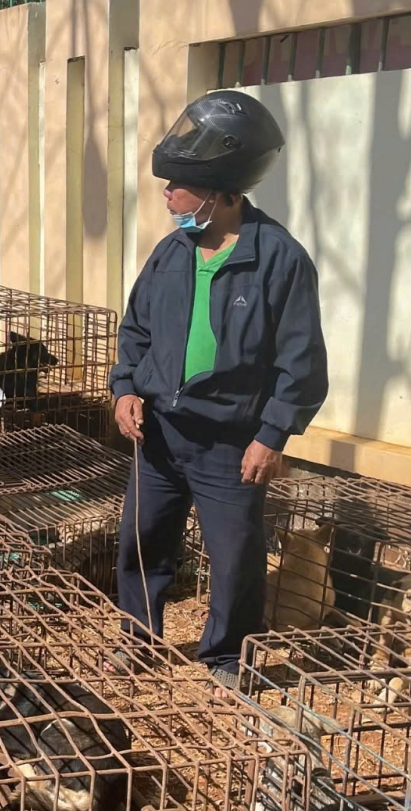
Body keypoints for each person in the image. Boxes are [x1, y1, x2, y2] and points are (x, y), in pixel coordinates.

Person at [111, 91, 328, 695]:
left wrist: (272, 434)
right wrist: (127, 388)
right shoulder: (171, 252)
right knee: (141, 537)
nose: (166, 194)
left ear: (222, 190)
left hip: (230, 443)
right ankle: (138, 638)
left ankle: (227, 656)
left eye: (177, 184)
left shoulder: (280, 260)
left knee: (234, 557)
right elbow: (136, 330)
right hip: (159, 433)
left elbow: (302, 362)